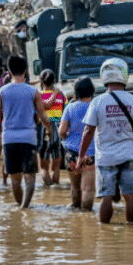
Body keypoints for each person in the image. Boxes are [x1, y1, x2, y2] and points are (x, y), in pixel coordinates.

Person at [78, 58, 133, 223]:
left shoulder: (98, 102)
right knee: (129, 195)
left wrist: (81, 156)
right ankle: (131, 227)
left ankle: (104, 232)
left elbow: (88, 131)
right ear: (125, 75)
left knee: (106, 197)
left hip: (105, 158)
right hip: (128, 155)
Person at [0, 55, 52, 209]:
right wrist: (49, 131)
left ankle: (21, 208)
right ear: (26, 71)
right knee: (30, 179)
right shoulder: (33, 91)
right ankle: (25, 208)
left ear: (8, 71)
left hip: (8, 139)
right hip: (28, 138)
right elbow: (44, 117)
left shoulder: (1, 92)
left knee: (15, 180)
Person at [59, 76, 96, 210]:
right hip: (90, 153)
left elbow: (62, 130)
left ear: (76, 91)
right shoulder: (95, 107)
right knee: (87, 189)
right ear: (92, 90)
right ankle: (86, 219)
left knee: (75, 187)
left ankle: (76, 214)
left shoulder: (70, 107)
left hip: (71, 153)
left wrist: (66, 141)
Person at [37, 69, 66, 185]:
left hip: (45, 129)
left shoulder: (38, 96)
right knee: (56, 168)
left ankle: (49, 192)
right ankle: (56, 189)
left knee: (43, 168)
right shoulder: (62, 95)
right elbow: (65, 113)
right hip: (58, 129)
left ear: (42, 82)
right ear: (54, 81)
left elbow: (36, 115)